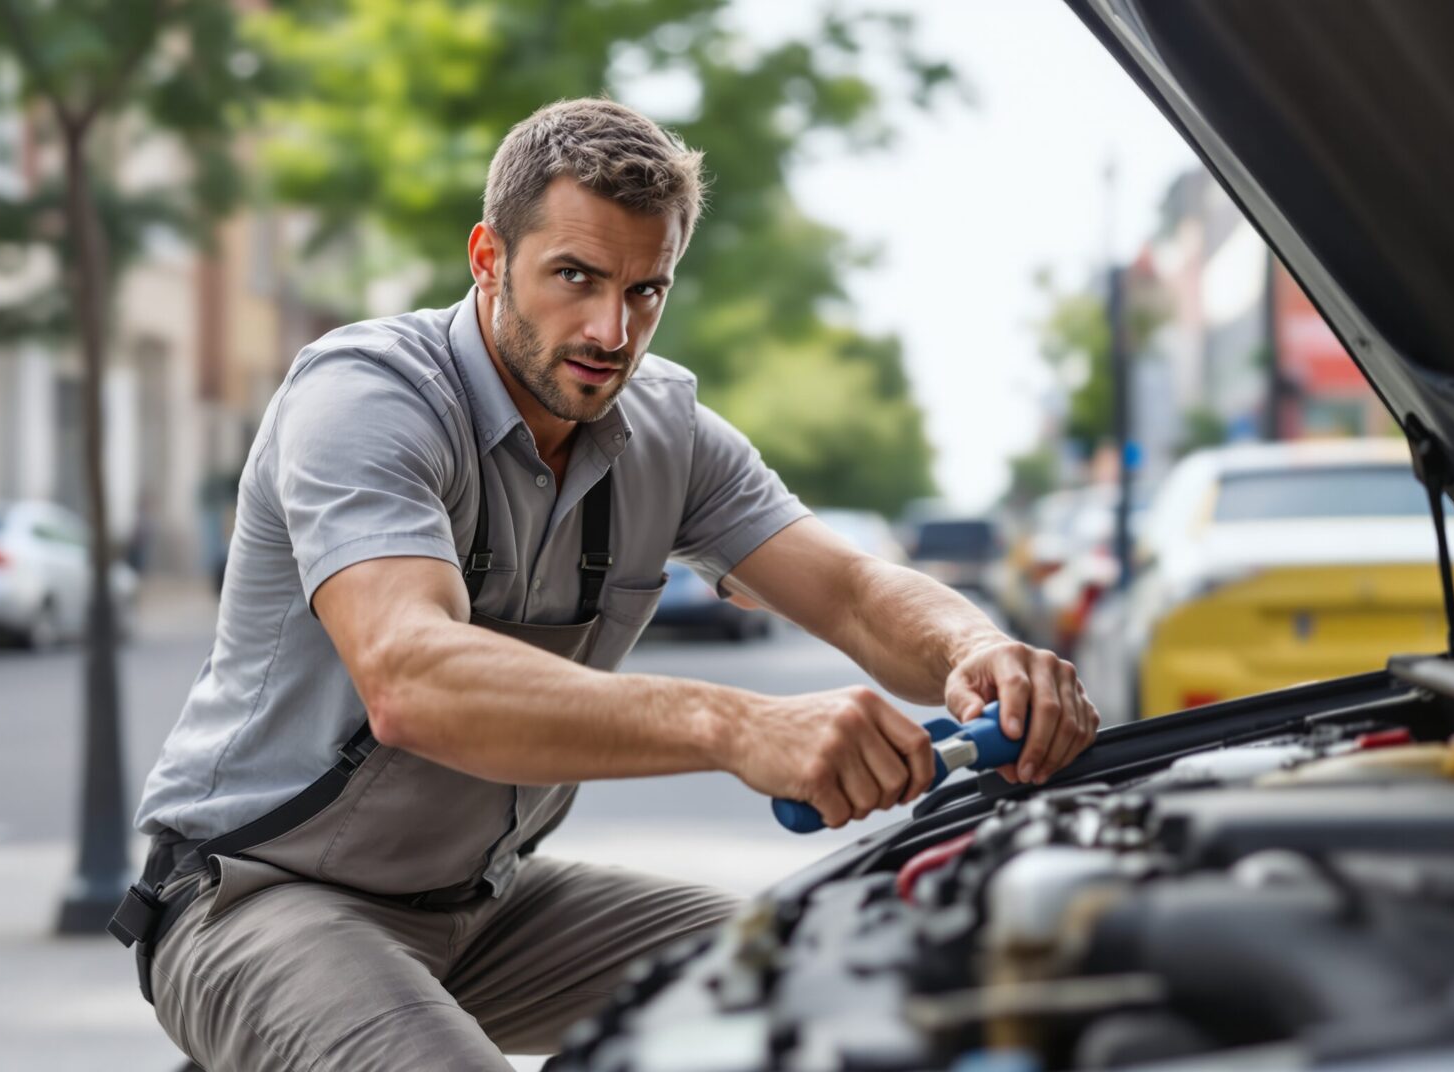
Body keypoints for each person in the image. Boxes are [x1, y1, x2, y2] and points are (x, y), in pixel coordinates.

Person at [120, 98, 1099, 1071]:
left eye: (645, 290)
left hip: (489, 906)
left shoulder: (666, 429)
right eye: (575, 277)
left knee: (842, 969)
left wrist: (976, 651)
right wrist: (738, 725)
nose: (610, 329)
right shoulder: (366, 395)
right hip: (258, 897)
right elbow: (410, 679)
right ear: (488, 257)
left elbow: (848, 588)